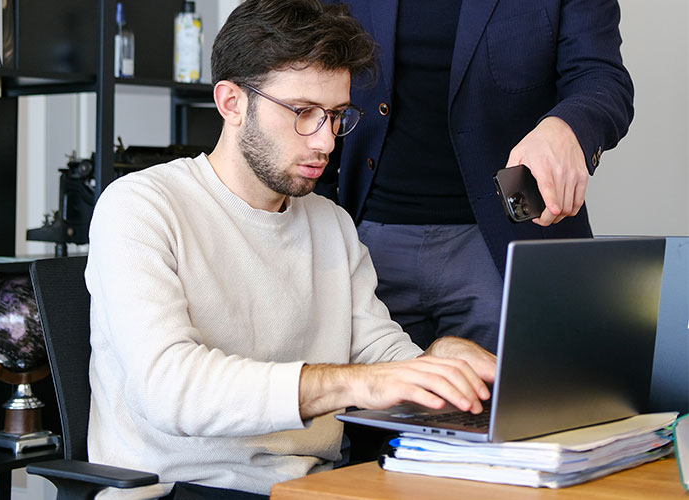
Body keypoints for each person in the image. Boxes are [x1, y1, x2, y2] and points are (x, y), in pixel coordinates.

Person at [85, 1, 496, 499]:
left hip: (313, 490)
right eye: (303, 113)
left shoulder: (331, 224)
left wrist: (435, 360)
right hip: (182, 490)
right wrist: (353, 384)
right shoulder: (141, 206)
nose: (325, 142)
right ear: (231, 102)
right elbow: (170, 389)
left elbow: (379, 354)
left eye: (337, 116)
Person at [315, 0, 634, 353]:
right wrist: (313, 225)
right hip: (364, 243)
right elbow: (303, 68)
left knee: (530, 403)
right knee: (361, 403)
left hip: (508, 244)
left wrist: (568, 127)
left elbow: (602, 78)